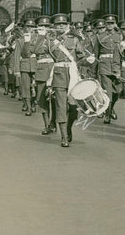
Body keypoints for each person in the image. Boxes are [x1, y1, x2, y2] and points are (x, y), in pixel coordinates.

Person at [46, 14, 85, 147]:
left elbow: (81, 56)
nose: (61, 26)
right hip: (58, 74)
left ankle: (68, 128)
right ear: (54, 26)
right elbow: (40, 51)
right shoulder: (50, 40)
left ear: (67, 25)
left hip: (72, 74)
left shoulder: (74, 39)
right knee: (60, 106)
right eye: (58, 24)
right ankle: (63, 136)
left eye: (63, 24)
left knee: (73, 106)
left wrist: (86, 62)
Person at [95, 15, 122, 123]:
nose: (110, 25)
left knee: (117, 90)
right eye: (108, 23)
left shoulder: (119, 36)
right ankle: (107, 113)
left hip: (116, 66)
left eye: (112, 23)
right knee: (108, 91)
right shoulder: (100, 37)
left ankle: (111, 108)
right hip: (104, 65)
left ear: (115, 23)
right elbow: (96, 55)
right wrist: (93, 71)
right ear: (105, 24)